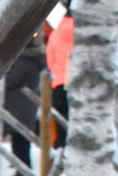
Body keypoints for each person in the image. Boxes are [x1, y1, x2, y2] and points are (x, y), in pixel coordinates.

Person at [3, 32, 47, 169]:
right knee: (20, 136)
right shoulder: (33, 60)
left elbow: (10, 80)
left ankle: (22, 166)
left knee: (19, 137)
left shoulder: (23, 62)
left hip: (19, 104)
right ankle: (20, 164)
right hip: (24, 105)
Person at [47, 3, 74, 149]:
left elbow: (50, 61)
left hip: (59, 84)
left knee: (60, 124)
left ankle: (60, 152)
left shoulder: (55, 34)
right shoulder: (85, 35)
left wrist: (59, 73)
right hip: (78, 83)